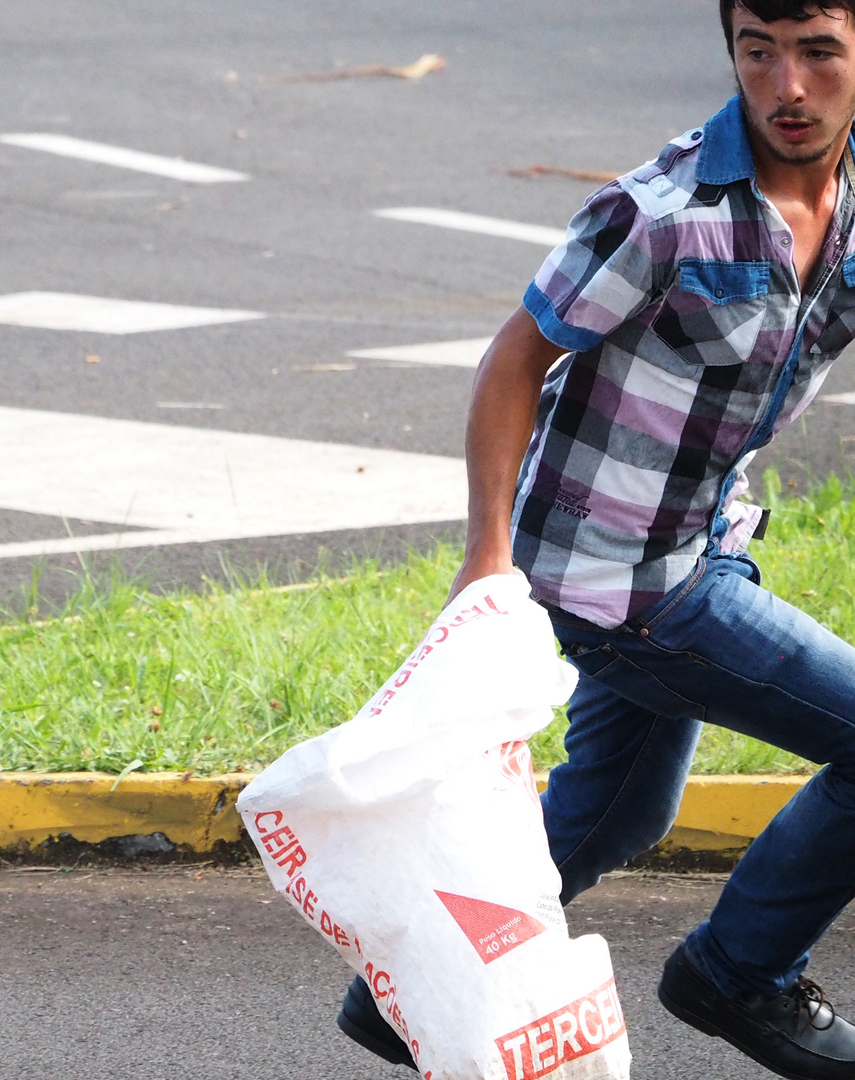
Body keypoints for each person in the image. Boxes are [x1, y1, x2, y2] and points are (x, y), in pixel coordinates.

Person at [336, 3, 855, 1077]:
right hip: (613, 577)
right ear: (733, 54)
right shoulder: (659, 213)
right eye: (760, 53)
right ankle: (737, 975)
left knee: (622, 809)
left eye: (818, 54)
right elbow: (514, 363)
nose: (787, 87)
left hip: (697, 540)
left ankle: (406, 993)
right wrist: (485, 559)